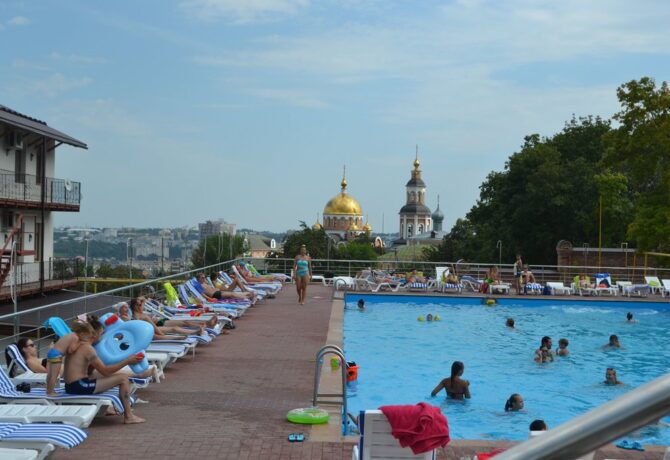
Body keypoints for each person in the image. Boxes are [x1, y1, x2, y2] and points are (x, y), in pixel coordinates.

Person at [63, 322, 146, 424]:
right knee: (123, 378)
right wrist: (127, 361)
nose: (103, 337)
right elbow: (106, 372)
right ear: (94, 334)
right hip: (79, 386)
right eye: (102, 334)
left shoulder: (78, 345)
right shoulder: (88, 349)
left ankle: (109, 408)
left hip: (71, 385)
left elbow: (88, 371)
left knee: (109, 375)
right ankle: (129, 416)